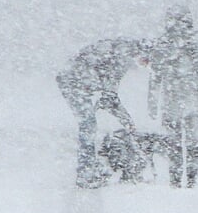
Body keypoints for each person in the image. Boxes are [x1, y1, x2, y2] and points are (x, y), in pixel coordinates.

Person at [56, 37, 152, 188]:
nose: (144, 66)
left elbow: (107, 95)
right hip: (73, 82)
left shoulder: (121, 50)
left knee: (89, 125)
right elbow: (109, 97)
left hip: (76, 81)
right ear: (141, 54)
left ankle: (91, 168)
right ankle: (86, 172)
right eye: (145, 62)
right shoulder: (122, 57)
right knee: (88, 126)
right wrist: (128, 122)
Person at [149, 3, 198, 188]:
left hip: (176, 98)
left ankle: (178, 179)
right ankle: (189, 179)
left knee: (176, 141)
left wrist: (152, 101)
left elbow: (156, 75)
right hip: (195, 97)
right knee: (191, 141)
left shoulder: (165, 43)